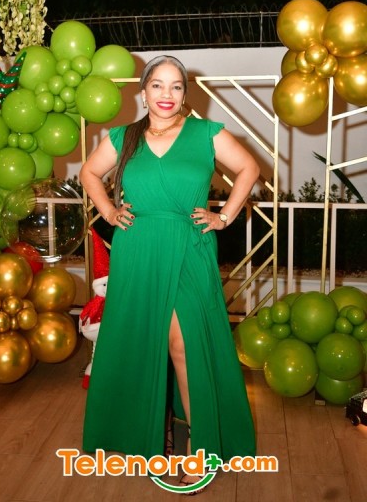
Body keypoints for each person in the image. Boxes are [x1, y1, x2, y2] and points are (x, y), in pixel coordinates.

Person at [80, 55, 259, 492]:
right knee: (139, 339)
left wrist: (224, 216)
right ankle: (139, 434)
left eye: (176, 86)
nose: (166, 94)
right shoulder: (123, 137)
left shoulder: (207, 133)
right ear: (143, 92)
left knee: (184, 343)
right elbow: (89, 172)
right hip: (137, 248)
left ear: (184, 93)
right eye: (157, 85)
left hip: (189, 246)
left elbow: (249, 169)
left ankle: (200, 441)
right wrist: (108, 210)